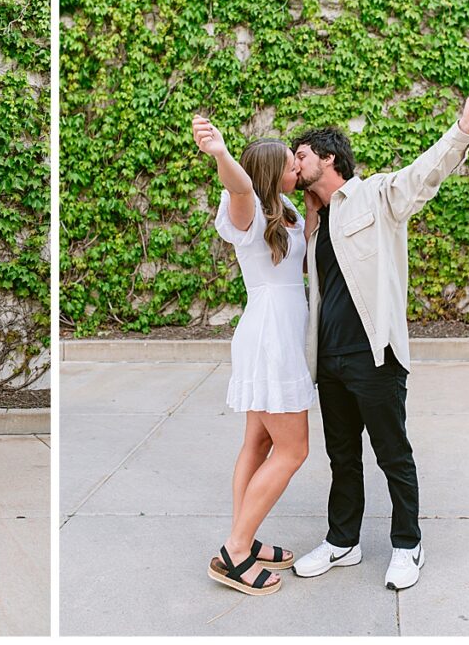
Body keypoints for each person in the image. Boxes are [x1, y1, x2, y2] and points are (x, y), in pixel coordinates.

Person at [290, 89, 469, 590]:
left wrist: (463, 130)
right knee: (342, 457)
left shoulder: (377, 195)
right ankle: (343, 541)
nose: (295, 164)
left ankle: (408, 544)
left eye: (302, 155)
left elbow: (424, 174)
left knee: (392, 455)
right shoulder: (313, 225)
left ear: (329, 158)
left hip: (374, 355)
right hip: (330, 359)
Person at [193, 115, 314, 597]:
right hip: (270, 338)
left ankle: (243, 536)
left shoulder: (286, 206)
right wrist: (221, 153)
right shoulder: (245, 208)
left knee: (259, 444)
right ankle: (236, 551)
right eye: (289, 164)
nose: (296, 168)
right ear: (268, 173)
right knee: (294, 450)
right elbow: (239, 185)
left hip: (280, 332)